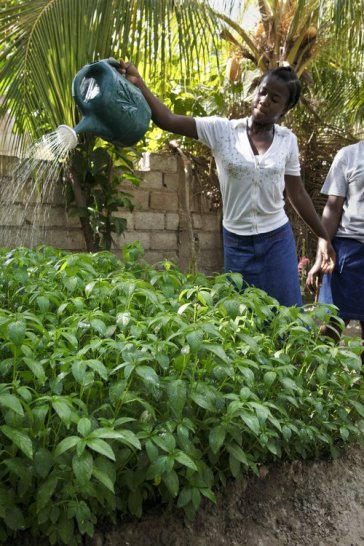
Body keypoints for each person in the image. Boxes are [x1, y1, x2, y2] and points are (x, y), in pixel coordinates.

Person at [119, 60, 335, 306]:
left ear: (285, 109)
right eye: (262, 92)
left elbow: (297, 194)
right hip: (237, 242)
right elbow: (167, 119)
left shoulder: (287, 141)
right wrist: (139, 83)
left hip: (277, 240)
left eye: (275, 99)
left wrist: (323, 236)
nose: (264, 100)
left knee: (288, 313)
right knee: (243, 318)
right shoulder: (222, 131)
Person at [306, 140, 364, 353]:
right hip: (348, 253)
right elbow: (332, 209)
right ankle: (318, 382)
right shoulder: (349, 155)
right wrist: (320, 259)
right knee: (331, 325)